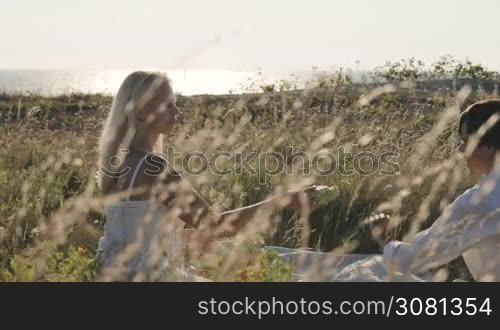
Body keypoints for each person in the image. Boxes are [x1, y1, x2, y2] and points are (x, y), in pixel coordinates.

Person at [96, 71, 320, 281]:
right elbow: (217, 225)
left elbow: (136, 231)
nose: (177, 112)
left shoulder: (116, 163)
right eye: (168, 105)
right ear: (142, 111)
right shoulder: (154, 166)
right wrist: (281, 200)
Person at [382, 99, 500, 282]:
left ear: (488, 146)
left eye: (465, 141)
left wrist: (384, 238)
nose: (460, 150)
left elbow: (414, 260)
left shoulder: (481, 202)